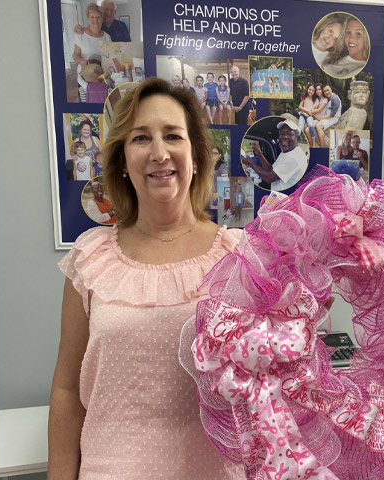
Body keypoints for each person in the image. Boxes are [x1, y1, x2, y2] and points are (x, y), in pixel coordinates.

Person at [49, 78, 247, 479]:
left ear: (195, 155)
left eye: (173, 135)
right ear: (123, 160)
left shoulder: (240, 256)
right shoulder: (90, 258)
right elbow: (67, 391)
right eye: (141, 138)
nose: (159, 153)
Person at [240, 120, 307, 191]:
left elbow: (269, 178)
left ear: (298, 138)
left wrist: (250, 163)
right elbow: (270, 169)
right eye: (282, 133)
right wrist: (259, 153)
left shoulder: (294, 157)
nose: (285, 137)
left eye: (289, 134)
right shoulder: (287, 152)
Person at [72, 4, 111, 95]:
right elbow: (75, 55)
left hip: (101, 78)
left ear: (102, 19)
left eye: (98, 17)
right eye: (92, 17)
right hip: (84, 79)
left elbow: (109, 57)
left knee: (101, 107)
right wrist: (82, 61)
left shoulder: (107, 37)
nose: (95, 20)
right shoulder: (80, 34)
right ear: (88, 18)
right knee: (86, 107)